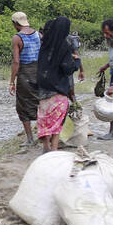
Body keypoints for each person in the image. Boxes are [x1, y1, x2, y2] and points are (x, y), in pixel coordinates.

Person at [32, 15, 82, 152]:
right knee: (57, 123)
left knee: (45, 120)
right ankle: (54, 150)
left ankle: (46, 146)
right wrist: (77, 61)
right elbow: (68, 69)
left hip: (43, 89)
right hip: (58, 90)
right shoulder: (64, 46)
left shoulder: (45, 44)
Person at [8, 11, 42, 150]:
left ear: (15, 24)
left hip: (25, 74)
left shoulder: (17, 38)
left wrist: (12, 81)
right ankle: (44, 134)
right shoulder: (38, 35)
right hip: (39, 72)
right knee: (39, 102)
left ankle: (30, 139)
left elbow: (16, 61)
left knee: (23, 106)